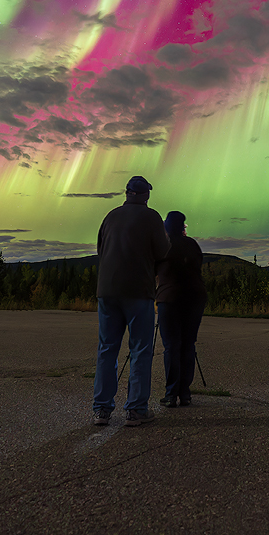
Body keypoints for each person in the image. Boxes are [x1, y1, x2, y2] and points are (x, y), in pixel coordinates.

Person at [92, 175, 171, 427]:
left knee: (107, 349)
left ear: (126, 193)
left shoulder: (110, 216)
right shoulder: (152, 217)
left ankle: (101, 410)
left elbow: (100, 248)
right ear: (146, 195)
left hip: (107, 290)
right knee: (140, 349)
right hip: (138, 291)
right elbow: (163, 251)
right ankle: (136, 409)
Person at [155, 211, 208, 408]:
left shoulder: (163, 246)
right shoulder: (192, 245)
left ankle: (171, 394)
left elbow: (153, 268)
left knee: (171, 346)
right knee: (188, 344)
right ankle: (184, 393)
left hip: (169, 298)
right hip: (195, 297)